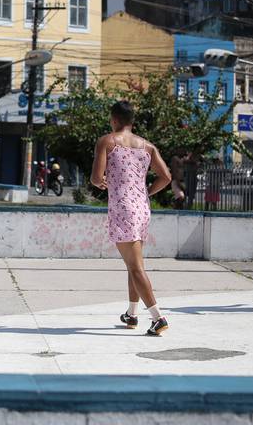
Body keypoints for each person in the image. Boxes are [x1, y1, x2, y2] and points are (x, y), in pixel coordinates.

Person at [91, 101, 172, 336]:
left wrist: (102, 182)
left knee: (135, 267)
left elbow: (96, 178)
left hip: (122, 209)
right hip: (142, 208)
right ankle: (132, 313)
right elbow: (166, 177)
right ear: (132, 121)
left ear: (114, 119)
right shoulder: (148, 147)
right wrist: (146, 192)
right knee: (132, 263)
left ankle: (158, 318)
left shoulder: (107, 141)